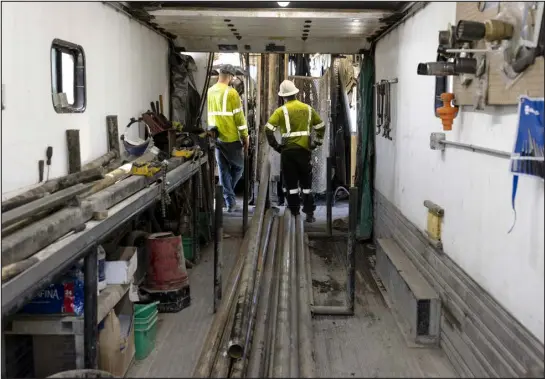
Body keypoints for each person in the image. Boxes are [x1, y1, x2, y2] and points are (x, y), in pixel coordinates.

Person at [264, 80, 325, 223]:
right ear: (296, 93)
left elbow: (268, 129)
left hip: (288, 153)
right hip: (305, 152)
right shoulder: (308, 109)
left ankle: (295, 213)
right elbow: (320, 126)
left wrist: (276, 146)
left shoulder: (281, 111)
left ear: (283, 96)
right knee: (306, 186)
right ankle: (309, 214)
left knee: (291, 186)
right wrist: (316, 143)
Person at [207, 64, 249, 212]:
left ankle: (230, 202)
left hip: (215, 137)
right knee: (239, 167)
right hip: (230, 138)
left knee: (224, 169)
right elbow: (240, 118)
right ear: (231, 77)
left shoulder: (210, 91)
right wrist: (245, 136)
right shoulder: (232, 93)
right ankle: (229, 194)